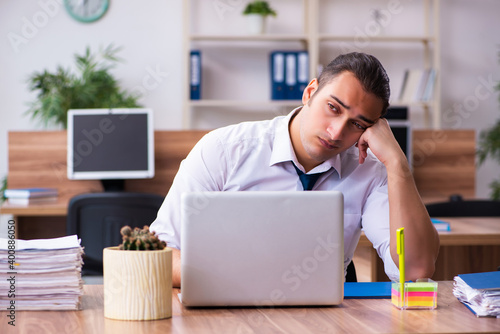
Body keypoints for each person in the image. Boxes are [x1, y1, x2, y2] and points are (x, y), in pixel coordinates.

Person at [150, 52, 440, 288]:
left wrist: (397, 164)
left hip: (323, 321)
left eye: (357, 124)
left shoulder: (370, 172)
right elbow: (158, 255)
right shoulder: (225, 150)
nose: (336, 132)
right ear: (310, 91)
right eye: (334, 108)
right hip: (227, 312)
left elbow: (414, 271)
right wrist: (239, 281)